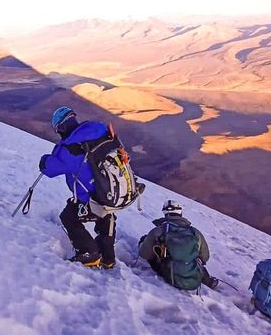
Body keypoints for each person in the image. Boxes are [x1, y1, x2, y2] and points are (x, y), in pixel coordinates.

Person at [38, 107, 121, 268]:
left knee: (69, 217)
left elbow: (50, 169)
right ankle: (108, 258)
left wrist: (44, 160)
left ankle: (88, 253)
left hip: (89, 197)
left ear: (60, 127)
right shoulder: (98, 132)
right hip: (110, 191)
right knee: (105, 215)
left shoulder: (71, 147)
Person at [138, 200, 219, 290]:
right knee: (196, 260)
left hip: (168, 274)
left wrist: (142, 243)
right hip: (193, 278)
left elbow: (144, 254)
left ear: (165, 213)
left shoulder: (158, 231)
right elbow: (205, 257)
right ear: (180, 213)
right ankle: (208, 280)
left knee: (146, 242)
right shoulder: (195, 233)